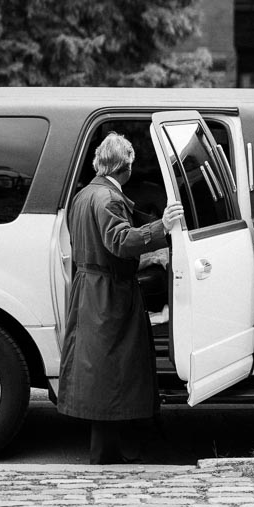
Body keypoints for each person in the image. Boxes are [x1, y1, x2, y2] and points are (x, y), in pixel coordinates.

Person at [57, 131, 183, 464]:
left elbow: (101, 248)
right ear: (125, 167)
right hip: (110, 294)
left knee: (101, 368)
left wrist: (150, 254)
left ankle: (113, 450)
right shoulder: (109, 198)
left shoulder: (85, 194)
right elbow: (120, 242)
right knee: (117, 371)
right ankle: (115, 453)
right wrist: (163, 228)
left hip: (90, 289)